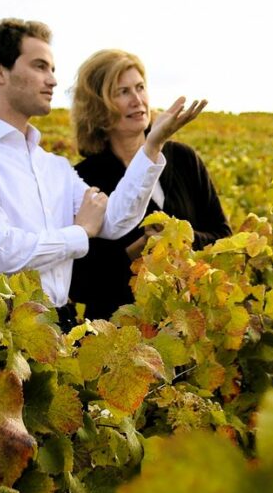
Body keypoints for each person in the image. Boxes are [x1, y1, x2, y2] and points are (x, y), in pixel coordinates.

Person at [0, 19, 206, 327]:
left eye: (51, 69)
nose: (51, 80)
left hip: (58, 324)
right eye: (39, 67)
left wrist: (153, 145)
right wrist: (79, 233)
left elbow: (115, 221)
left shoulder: (54, 167)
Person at [69, 49, 231, 319]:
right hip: (120, 336)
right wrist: (135, 252)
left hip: (190, 323)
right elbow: (80, 284)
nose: (137, 100)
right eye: (122, 92)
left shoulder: (184, 159)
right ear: (97, 106)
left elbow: (224, 236)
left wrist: (179, 238)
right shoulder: (83, 179)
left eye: (140, 87)